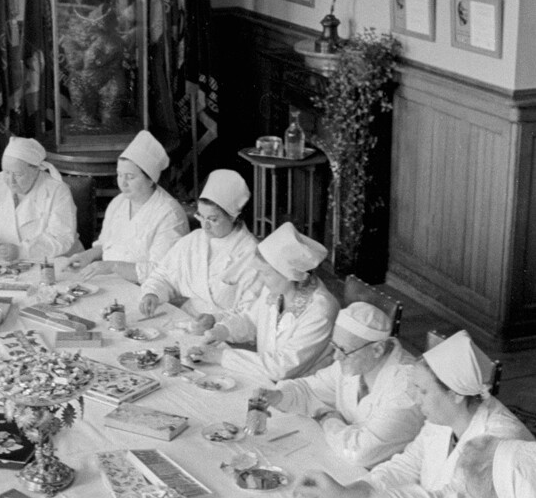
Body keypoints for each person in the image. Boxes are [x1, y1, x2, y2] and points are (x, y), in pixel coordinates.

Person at [293, 331, 531, 498]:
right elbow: (407, 465)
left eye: (423, 391)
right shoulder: (443, 416)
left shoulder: (500, 442)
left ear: (456, 394)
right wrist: (352, 493)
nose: (414, 399)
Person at [245, 302, 423, 468]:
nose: (336, 357)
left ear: (377, 349)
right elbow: (310, 389)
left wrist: (329, 417)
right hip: (341, 458)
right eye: (334, 346)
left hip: (377, 477)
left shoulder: (405, 388)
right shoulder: (358, 359)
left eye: (344, 350)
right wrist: (279, 395)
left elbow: (359, 452)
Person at [138, 170, 259, 336]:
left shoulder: (251, 253)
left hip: (228, 334)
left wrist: (215, 320)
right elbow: (164, 274)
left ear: (234, 217)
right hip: (187, 322)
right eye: (201, 216)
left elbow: (252, 313)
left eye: (213, 219)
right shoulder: (194, 240)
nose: (205, 226)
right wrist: (152, 293)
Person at [213, 221, 338, 381]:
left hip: (300, 390)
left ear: (289, 275)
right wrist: (223, 330)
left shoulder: (321, 310)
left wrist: (222, 357)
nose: (262, 279)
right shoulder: (276, 289)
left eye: (266, 274)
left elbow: (283, 367)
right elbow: (251, 320)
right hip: (264, 377)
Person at [64, 130, 188, 283]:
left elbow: (162, 271)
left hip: (147, 290)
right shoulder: (119, 202)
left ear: (151, 180)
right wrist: (86, 256)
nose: (122, 183)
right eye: (119, 175)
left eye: (130, 177)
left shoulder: (169, 214)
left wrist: (112, 267)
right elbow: (105, 245)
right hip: (113, 282)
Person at [0, 137, 77, 261]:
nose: (10, 181)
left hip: (47, 262)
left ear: (36, 170)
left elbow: (61, 238)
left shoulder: (57, 191)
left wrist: (21, 251)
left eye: (18, 174)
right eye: (6, 172)